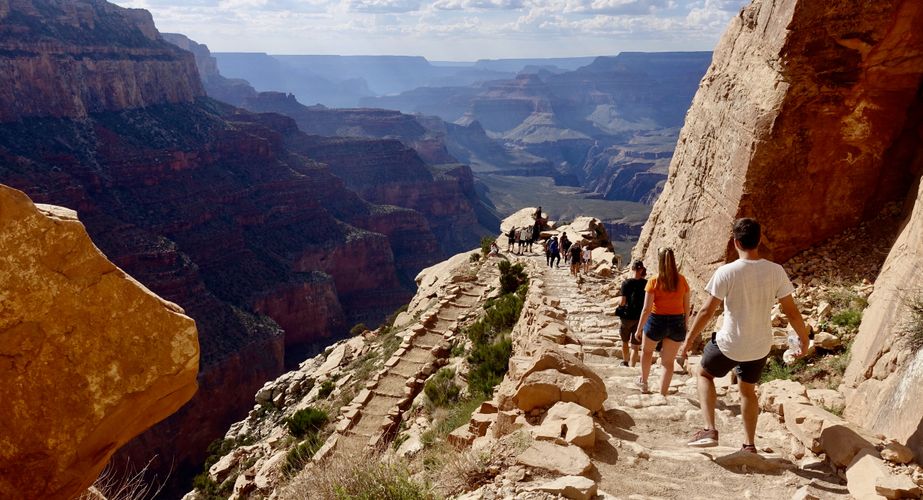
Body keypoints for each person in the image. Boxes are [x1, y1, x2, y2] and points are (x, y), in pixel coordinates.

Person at [684, 218, 809, 452]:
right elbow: (791, 312)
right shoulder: (775, 271)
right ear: (759, 240)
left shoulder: (726, 272)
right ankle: (749, 445)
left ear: (735, 242)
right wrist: (804, 339)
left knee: (704, 374)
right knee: (748, 391)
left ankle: (710, 429)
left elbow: (707, 310)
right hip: (760, 346)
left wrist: (689, 339)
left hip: (730, 343)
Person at [634, 247, 689, 395]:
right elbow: (686, 306)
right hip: (677, 322)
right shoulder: (682, 280)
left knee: (646, 352)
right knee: (668, 362)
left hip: (656, 322)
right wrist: (686, 324)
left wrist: (639, 329)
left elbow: (646, 309)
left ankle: (644, 383)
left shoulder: (654, 281)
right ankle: (662, 393)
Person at [617, 260, 647, 367]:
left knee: (625, 341)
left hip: (627, 316)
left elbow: (622, 302)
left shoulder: (626, 283)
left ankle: (625, 362)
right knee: (635, 345)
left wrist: (618, 303)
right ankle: (633, 367)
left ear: (632, 269)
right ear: (642, 269)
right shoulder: (646, 283)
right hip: (640, 317)